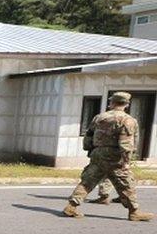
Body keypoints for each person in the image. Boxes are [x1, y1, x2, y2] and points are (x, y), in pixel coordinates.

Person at [63, 92, 153, 221]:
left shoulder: (99, 117)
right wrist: (126, 161)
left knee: (88, 181)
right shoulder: (127, 120)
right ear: (126, 104)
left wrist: (91, 151)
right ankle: (134, 211)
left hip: (98, 154)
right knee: (126, 183)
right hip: (115, 156)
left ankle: (71, 206)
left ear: (112, 103)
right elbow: (126, 143)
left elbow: (88, 137)